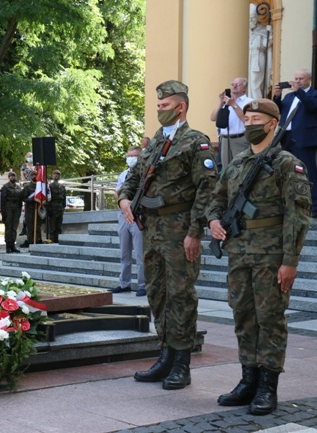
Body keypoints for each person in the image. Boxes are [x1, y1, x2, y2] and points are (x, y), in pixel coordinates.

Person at [207, 99, 311, 415]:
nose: (250, 123)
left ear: (271, 124)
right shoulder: (237, 164)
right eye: (247, 118)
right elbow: (216, 199)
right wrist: (213, 221)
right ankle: (247, 379)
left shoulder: (286, 164)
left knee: (270, 320)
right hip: (239, 252)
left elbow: (298, 215)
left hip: (270, 255)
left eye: (256, 119)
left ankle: (268, 386)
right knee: (243, 317)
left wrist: (290, 260)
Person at [118, 80, 218, 390]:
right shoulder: (155, 143)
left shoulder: (195, 143)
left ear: (180, 107)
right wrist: (124, 198)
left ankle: (181, 363)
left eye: (164, 106)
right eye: (158, 106)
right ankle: (164, 355)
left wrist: (194, 232)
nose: (159, 110)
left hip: (180, 230)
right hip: (152, 230)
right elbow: (133, 178)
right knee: (157, 294)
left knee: (181, 296)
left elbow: (208, 189)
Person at [273, 69, 317, 217]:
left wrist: (300, 92)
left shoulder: (314, 94)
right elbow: (278, 110)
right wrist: (277, 97)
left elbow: (312, 106)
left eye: (301, 78)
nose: (297, 81)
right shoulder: (289, 96)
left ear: (309, 79)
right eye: (296, 78)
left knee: (308, 172)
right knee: (287, 170)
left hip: (304, 138)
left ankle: (315, 206)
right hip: (286, 138)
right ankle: (290, 203)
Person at [113, 146, 146, 296]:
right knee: (124, 253)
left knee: (140, 253)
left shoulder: (145, 173)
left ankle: (142, 285)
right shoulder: (123, 174)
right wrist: (124, 200)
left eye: (134, 156)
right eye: (129, 155)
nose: (130, 158)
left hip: (138, 215)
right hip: (124, 215)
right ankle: (124, 283)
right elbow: (117, 193)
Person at [210, 78, 253, 169]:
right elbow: (213, 118)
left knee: (241, 167)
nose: (234, 86)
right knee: (227, 169)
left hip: (240, 139)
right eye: (233, 84)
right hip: (225, 140)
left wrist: (234, 105)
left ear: (244, 88)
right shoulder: (226, 102)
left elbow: (246, 119)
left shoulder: (249, 102)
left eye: (238, 84)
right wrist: (220, 103)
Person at [248, 3, 272, 100]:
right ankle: (250, 101)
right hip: (249, 57)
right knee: (248, 81)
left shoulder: (262, 30)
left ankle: (256, 104)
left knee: (255, 81)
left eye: (253, 18)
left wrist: (269, 34)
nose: (251, 21)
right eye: (249, 19)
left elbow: (267, 45)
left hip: (258, 58)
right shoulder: (246, 31)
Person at [0, 170, 23, 253]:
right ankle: (8, 246)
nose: (13, 177)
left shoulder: (18, 188)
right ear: (9, 177)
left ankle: (13, 244)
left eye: (14, 176)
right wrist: (3, 212)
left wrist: (20, 210)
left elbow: (20, 199)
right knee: (8, 228)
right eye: (11, 176)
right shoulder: (5, 187)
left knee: (14, 228)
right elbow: (3, 200)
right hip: (8, 209)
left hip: (16, 209)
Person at [19, 169, 43, 247]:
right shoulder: (27, 187)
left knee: (38, 226)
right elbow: (22, 197)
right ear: (30, 177)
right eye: (32, 175)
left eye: (35, 175)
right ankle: (30, 241)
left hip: (38, 209)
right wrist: (29, 200)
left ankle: (38, 240)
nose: (34, 176)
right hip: (30, 209)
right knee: (30, 226)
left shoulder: (40, 187)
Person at [46, 169, 66, 243]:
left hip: (60, 207)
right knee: (52, 226)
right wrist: (48, 209)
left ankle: (58, 240)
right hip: (52, 207)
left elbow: (64, 197)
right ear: (52, 176)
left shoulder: (62, 187)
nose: (56, 176)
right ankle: (52, 240)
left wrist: (63, 207)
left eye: (58, 174)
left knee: (59, 225)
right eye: (55, 174)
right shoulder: (49, 186)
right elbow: (47, 198)